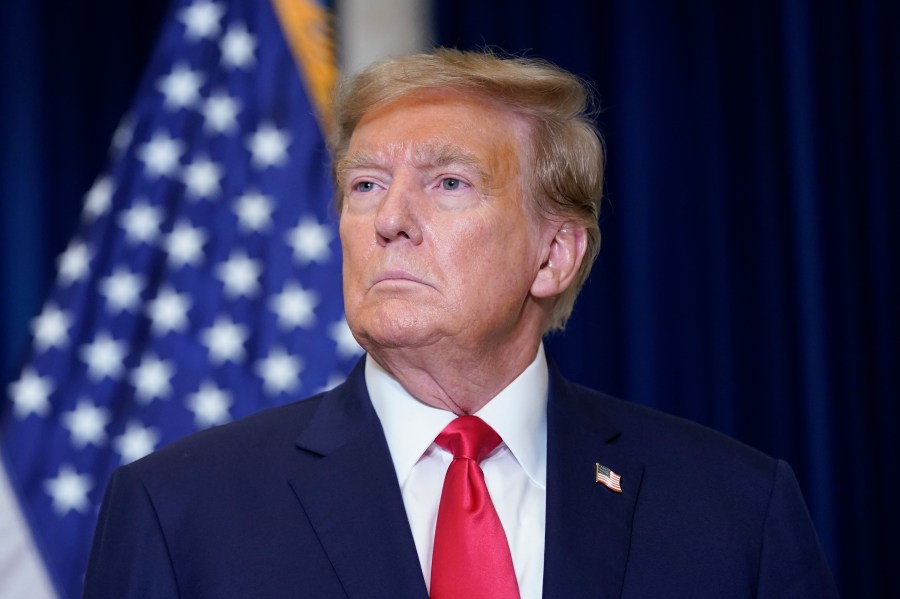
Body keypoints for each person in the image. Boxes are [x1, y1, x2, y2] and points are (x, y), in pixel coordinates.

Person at [84, 49, 838, 598]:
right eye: (367, 184)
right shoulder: (179, 511)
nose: (389, 219)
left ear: (554, 253)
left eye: (448, 182)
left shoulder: (735, 510)